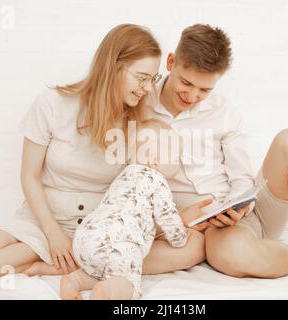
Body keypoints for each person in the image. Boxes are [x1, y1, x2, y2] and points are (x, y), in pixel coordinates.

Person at [0, 24, 208, 280]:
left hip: (106, 228)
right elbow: (29, 175)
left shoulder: (142, 121)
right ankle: (89, 263)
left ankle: (76, 263)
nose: (147, 88)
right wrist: (54, 236)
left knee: (194, 246)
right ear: (112, 67)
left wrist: (179, 218)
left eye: (152, 79)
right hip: (48, 219)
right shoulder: (52, 103)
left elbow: (144, 189)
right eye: (141, 77)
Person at [147, 23, 288, 288]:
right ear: (171, 62)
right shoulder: (140, 102)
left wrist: (237, 208)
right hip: (189, 225)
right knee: (231, 254)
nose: (192, 95)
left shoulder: (224, 112)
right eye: (186, 82)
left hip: (235, 217)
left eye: (205, 90)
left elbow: (241, 179)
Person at [60, 119, 197, 300]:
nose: (179, 164)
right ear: (155, 161)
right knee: (128, 283)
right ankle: (107, 293)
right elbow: (168, 216)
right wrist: (180, 239)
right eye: (177, 158)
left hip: (85, 238)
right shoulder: (157, 181)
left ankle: (73, 281)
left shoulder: (123, 176)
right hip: (118, 245)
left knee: (100, 271)